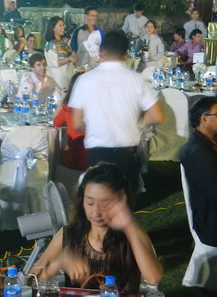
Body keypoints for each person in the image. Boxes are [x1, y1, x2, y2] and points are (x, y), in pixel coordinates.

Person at [34, 162, 162, 291]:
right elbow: (33, 277)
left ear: (120, 200)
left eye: (104, 204)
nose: (95, 212)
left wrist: (129, 227)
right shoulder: (69, 234)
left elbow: (153, 278)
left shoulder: (133, 234)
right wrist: (60, 262)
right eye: (90, 203)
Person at [69, 30, 163, 191]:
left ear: (102, 51)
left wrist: (96, 126)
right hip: (127, 154)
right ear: (126, 55)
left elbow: (77, 123)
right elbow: (157, 116)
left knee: (98, 203)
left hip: (97, 154)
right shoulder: (136, 79)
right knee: (125, 201)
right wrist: (134, 119)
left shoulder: (85, 79)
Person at [180, 96, 217, 247]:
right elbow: (215, 193)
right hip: (215, 221)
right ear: (203, 119)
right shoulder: (197, 152)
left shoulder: (209, 142)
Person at [53, 73, 87, 172]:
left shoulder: (68, 109)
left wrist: (62, 98)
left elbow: (55, 122)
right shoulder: (97, 107)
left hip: (74, 158)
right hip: (94, 157)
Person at [44, 16, 75, 91]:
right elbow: (54, 63)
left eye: (63, 25)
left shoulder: (64, 41)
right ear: (54, 28)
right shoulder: (51, 45)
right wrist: (68, 59)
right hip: (58, 79)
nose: (63, 28)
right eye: (60, 26)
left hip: (68, 75)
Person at [70, 6, 104, 71]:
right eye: (92, 16)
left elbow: (103, 51)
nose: (94, 18)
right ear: (86, 16)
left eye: (96, 16)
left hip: (95, 69)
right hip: (80, 67)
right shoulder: (77, 32)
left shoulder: (100, 33)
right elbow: (73, 51)